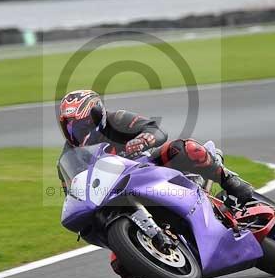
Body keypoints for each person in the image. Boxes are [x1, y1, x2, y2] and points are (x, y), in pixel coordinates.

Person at [57, 89, 256, 209]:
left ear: (97, 115)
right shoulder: (69, 155)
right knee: (120, 264)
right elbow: (73, 196)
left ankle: (230, 181)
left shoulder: (116, 119)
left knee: (183, 148)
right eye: (70, 127)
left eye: (81, 125)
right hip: (116, 193)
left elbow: (156, 130)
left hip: (148, 167)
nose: (76, 132)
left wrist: (142, 140)